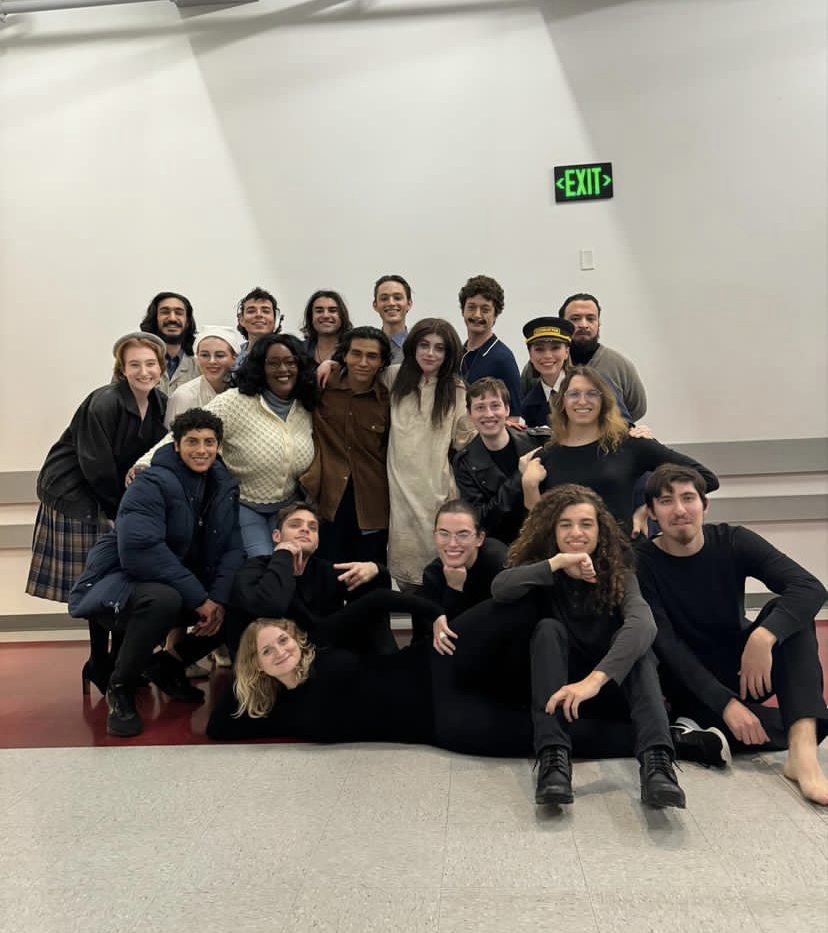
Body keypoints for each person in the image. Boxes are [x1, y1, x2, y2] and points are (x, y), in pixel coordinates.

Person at [636, 464, 828, 805]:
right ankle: (698, 731)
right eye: (666, 501)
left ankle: (802, 755)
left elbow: (809, 587)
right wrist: (726, 704)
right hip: (686, 682)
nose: (679, 510)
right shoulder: (642, 562)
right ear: (651, 512)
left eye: (688, 498)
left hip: (744, 670)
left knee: (788, 616)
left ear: (705, 505)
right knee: (806, 717)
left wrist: (764, 636)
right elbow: (666, 644)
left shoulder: (733, 540)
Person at [491, 484, 686, 809]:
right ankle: (554, 761)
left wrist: (593, 681)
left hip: (607, 688)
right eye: (565, 524)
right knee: (548, 630)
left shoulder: (619, 573)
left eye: (585, 524)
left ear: (600, 529)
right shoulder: (544, 571)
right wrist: (556, 563)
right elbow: (500, 588)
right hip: (555, 689)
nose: (576, 532)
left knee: (639, 651)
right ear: (552, 530)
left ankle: (658, 766)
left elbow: (643, 624)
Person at [68, 408, 244, 737]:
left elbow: (233, 548)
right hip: (126, 582)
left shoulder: (223, 485)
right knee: (164, 599)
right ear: (176, 445)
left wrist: (217, 598)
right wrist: (200, 598)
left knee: (244, 591)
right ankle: (120, 688)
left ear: (219, 446)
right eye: (192, 442)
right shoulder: (151, 481)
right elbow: (139, 550)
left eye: (209, 442)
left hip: (181, 579)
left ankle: (169, 666)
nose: (202, 450)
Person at [206, 604, 536, 758]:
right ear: (258, 666)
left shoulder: (321, 647)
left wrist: (434, 613)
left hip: (434, 662)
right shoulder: (281, 711)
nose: (280, 651)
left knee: (513, 606)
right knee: (553, 735)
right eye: (266, 651)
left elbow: (376, 599)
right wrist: (244, 667)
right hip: (438, 723)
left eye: (282, 640)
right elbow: (218, 727)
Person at [133, 334, 316, 558]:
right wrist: (143, 464)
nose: (283, 369)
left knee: (292, 565)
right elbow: (184, 433)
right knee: (262, 564)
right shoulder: (236, 401)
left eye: (290, 362)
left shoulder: (307, 406)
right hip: (244, 505)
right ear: (260, 367)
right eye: (273, 363)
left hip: (289, 508)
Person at [27, 332, 168, 604]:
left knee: (110, 577)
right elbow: (96, 465)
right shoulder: (105, 401)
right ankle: (100, 648)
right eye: (134, 364)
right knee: (92, 579)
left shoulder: (160, 403)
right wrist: (123, 510)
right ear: (122, 370)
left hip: (110, 493)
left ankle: (113, 647)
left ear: (161, 368)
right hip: (75, 492)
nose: (144, 371)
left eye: (150, 364)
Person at [522, 366, 718, 535]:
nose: (582, 401)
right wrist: (529, 485)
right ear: (562, 402)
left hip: (623, 558)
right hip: (569, 560)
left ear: (604, 401)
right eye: (574, 394)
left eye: (592, 393)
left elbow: (706, 477)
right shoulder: (547, 456)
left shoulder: (630, 444)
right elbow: (540, 525)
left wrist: (648, 510)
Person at [222, 503, 398, 659]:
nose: (305, 529)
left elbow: (377, 599)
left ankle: (392, 673)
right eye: (295, 525)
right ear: (276, 536)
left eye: (312, 527)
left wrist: (376, 569)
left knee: (373, 613)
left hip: (317, 654)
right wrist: (283, 554)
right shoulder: (253, 569)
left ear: (318, 542)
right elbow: (271, 606)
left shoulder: (326, 570)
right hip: (272, 661)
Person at [386, 318, 474, 592]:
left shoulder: (456, 389)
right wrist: (331, 363)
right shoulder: (391, 377)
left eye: (439, 348)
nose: (430, 354)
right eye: (424, 345)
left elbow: (465, 440)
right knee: (406, 579)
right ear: (413, 346)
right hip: (400, 496)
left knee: (441, 576)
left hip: (438, 493)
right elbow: (354, 375)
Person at [301, 326, 391, 565]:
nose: (363, 362)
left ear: (382, 362)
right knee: (328, 579)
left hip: (372, 504)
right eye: (356, 353)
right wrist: (327, 364)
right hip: (327, 501)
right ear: (344, 355)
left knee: (368, 583)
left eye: (372, 356)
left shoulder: (387, 401)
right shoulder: (322, 385)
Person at [452, 377, 537, 545]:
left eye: (495, 406)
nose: (489, 414)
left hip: (539, 537)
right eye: (480, 408)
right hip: (498, 544)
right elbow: (481, 519)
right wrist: (519, 477)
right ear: (470, 415)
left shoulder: (535, 442)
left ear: (507, 409)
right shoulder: (464, 462)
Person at [413, 500, 507, 644]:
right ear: (434, 536)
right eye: (444, 534)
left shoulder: (499, 563)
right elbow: (443, 638)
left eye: (462, 534)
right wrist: (454, 589)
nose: (452, 544)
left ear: (479, 539)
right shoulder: (433, 574)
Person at [520, 316, 632, 431]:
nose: (548, 356)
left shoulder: (597, 381)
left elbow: (625, 426)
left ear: (567, 352)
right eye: (539, 349)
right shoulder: (529, 405)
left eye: (555, 348)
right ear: (530, 354)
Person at [457, 275, 522, 421]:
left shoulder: (503, 359)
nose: (477, 315)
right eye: (471, 307)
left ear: (495, 315)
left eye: (485, 309)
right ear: (462, 310)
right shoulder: (457, 354)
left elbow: (513, 418)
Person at [164, 326, 242, 428]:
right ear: (197, 357)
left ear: (234, 358)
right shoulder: (183, 397)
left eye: (220, 355)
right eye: (205, 355)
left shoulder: (243, 393)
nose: (212, 361)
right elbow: (172, 440)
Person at [138, 291, 200, 396]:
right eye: (165, 312)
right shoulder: (134, 359)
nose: (172, 318)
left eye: (179, 313)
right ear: (155, 319)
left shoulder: (200, 364)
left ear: (188, 322)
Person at [234, 286, 283, 369]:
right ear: (241, 320)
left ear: (275, 320)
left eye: (266, 311)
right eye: (251, 311)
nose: (259, 315)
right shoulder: (234, 355)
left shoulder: (287, 351)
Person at [300, 289, 352, 366]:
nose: (325, 316)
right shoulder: (299, 351)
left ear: (342, 316)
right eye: (319, 311)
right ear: (311, 317)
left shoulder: (352, 350)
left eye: (332, 310)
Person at [373, 275, 412, 363]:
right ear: (375, 305)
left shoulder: (418, 347)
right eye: (384, 298)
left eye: (397, 298)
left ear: (409, 304)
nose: (391, 303)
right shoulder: (367, 347)